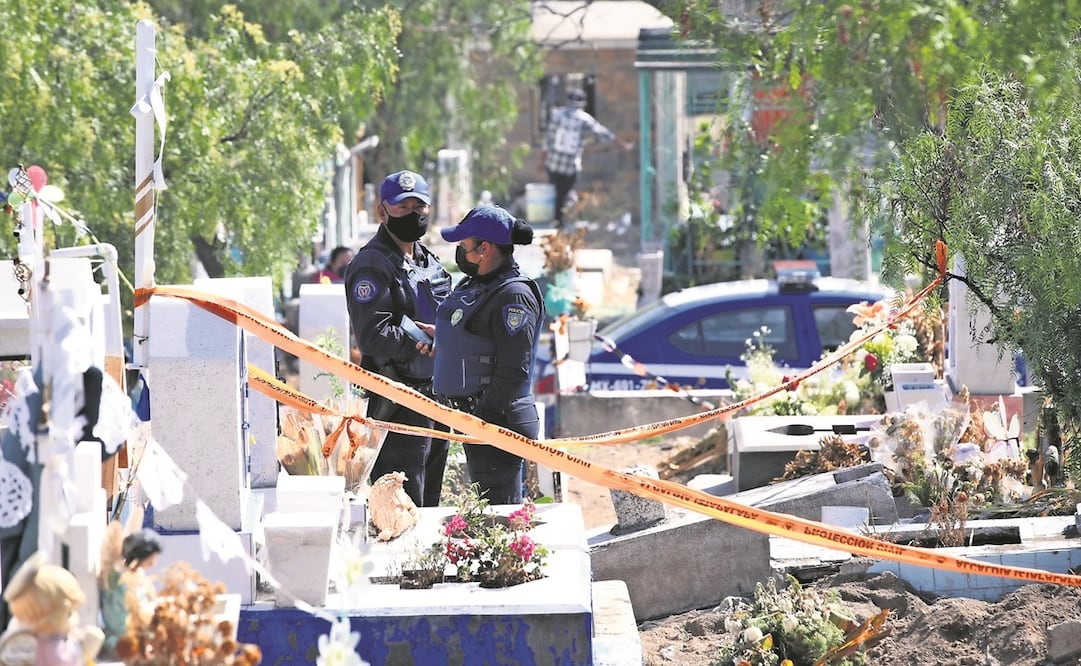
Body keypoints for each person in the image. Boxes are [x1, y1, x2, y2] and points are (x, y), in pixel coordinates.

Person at [343, 170, 452, 508]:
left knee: (430, 506)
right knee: (402, 509)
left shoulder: (426, 259)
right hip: (398, 406)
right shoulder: (372, 265)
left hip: (435, 399)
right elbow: (373, 336)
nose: (413, 214)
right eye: (402, 207)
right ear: (383, 212)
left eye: (419, 206)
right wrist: (419, 341)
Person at [433, 205, 546, 504]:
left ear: (484, 249)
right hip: (481, 422)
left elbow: (513, 369)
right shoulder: (481, 284)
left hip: (497, 422)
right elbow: (477, 338)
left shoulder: (513, 296)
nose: (459, 253)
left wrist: (482, 418)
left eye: (463, 247)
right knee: (489, 514)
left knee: (501, 518)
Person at [541, 87, 633, 226]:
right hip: (571, 167)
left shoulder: (556, 115)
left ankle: (559, 219)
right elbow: (603, 133)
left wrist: (542, 160)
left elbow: (547, 141)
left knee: (558, 193)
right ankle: (566, 219)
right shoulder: (584, 119)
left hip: (553, 164)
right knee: (567, 192)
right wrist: (623, 144)